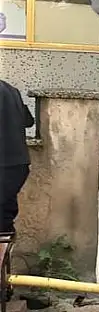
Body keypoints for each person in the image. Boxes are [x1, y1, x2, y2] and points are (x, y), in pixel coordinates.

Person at [1, 80, 35, 237]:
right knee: (4, 218)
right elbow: (29, 121)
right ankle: (4, 260)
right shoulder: (11, 90)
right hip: (18, 165)